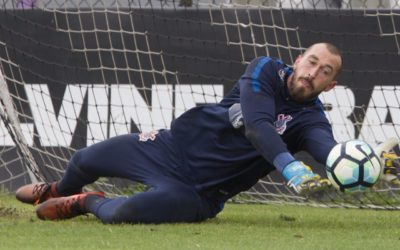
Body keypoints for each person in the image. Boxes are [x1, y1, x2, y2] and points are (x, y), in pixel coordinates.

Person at [16, 42, 343, 224]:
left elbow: (329, 151)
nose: (312, 73)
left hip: (200, 194)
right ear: (299, 60)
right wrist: (290, 166)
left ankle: (85, 202)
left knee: (121, 214)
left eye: (323, 72)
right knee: (85, 159)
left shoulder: (310, 120)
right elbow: (258, 125)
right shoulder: (266, 69)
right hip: (168, 149)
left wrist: (362, 167)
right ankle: (57, 189)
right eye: (311, 62)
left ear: (330, 85)